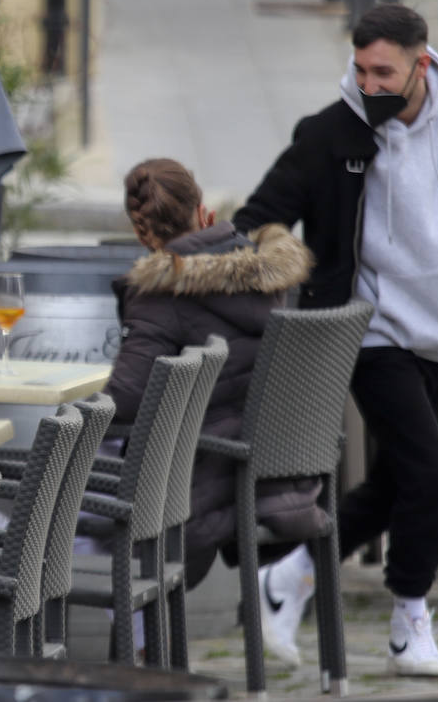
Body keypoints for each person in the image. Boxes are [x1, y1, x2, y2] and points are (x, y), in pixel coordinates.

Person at [232, 4, 438, 677]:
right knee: (433, 479)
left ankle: (291, 574)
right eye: (360, 69)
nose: (369, 84)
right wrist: (218, 252)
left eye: (383, 71)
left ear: (422, 65)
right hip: (367, 330)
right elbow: (259, 218)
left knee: (396, 486)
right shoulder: (332, 132)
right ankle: (408, 623)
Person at [103, 158, 319, 588]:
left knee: (46, 494)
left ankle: (135, 639)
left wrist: (65, 410)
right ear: (204, 214)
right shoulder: (270, 278)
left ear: (141, 233)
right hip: (284, 476)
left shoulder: (162, 293)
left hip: (204, 479)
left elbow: (124, 400)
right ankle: (146, 642)